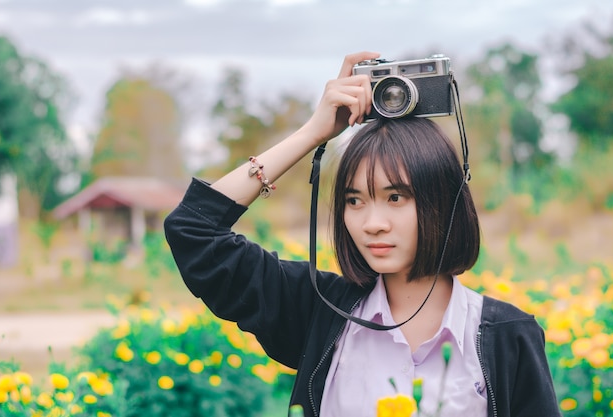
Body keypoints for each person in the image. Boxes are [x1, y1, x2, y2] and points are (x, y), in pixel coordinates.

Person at [164, 51, 561, 417]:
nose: (372, 223)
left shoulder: (508, 337)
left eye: (395, 197)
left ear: (444, 200)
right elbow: (194, 231)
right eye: (355, 200)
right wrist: (314, 133)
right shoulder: (318, 310)